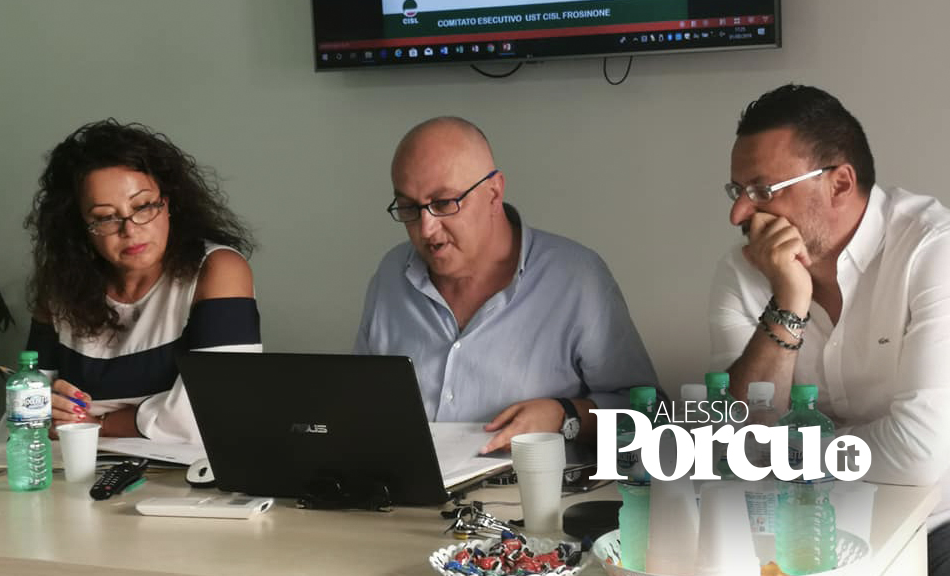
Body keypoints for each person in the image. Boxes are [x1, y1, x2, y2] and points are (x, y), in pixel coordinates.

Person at [708, 84, 950, 574]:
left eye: (762, 192)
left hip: (935, 527)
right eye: (737, 192)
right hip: (795, 528)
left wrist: (785, 448)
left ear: (839, 183)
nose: (739, 214)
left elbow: (919, 455)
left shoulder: (933, 250)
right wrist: (788, 301)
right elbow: (735, 444)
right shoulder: (743, 270)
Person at [355, 117, 658, 454]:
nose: (426, 229)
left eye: (443, 203)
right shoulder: (392, 274)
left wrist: (565, 415)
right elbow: (359, 402)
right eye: (409, 207)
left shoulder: (576, 278)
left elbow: (649, 417)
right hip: (403, 485)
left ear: (494, 192)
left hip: (533, 486)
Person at [24, 119, 261, 443]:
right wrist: (46, 410)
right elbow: (28, 406)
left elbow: (217, 408)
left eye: (143, 206)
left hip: (182, 472)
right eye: (105, 217)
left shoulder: (217, 270)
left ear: (169, 203)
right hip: (73, 465)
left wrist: (96, 423)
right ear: (80, 227)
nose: (130, 229)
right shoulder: (59, 287)